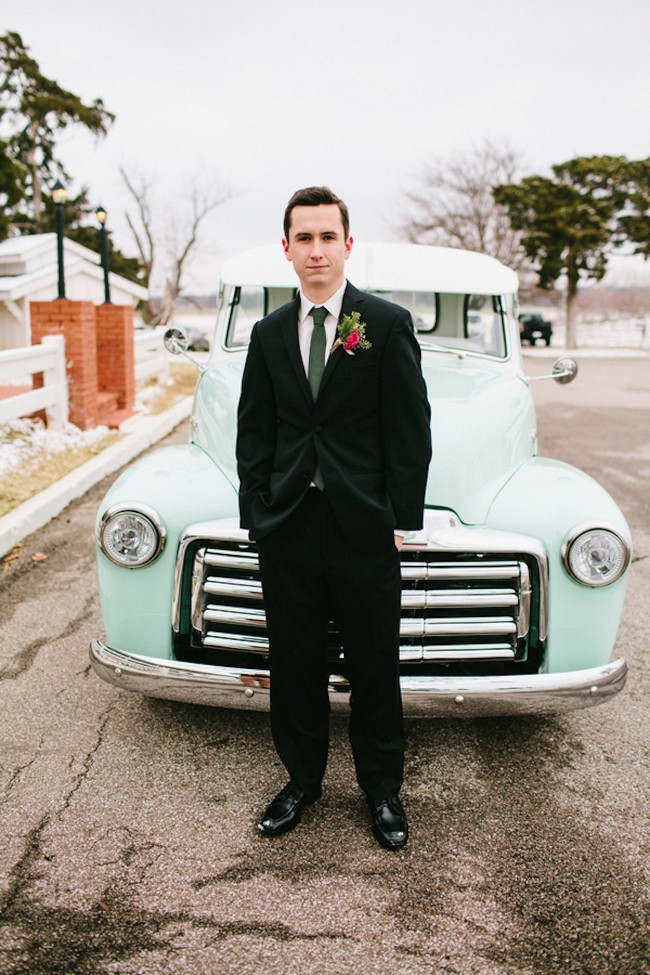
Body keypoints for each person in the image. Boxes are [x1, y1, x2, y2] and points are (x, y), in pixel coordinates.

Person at [236, 186, 431, 850]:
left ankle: (382, 790)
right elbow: (255, 432)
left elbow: (410, 430)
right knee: (294, 663)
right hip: (289, 525)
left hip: (363, 527)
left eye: (327, 237)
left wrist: (403, 516)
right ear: (285, 247)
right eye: (303, 237)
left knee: (375, 663)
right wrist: (257, 514)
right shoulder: (266, 334)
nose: (315, 250)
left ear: (347, 245)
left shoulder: (385, 323)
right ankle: (301, 782)